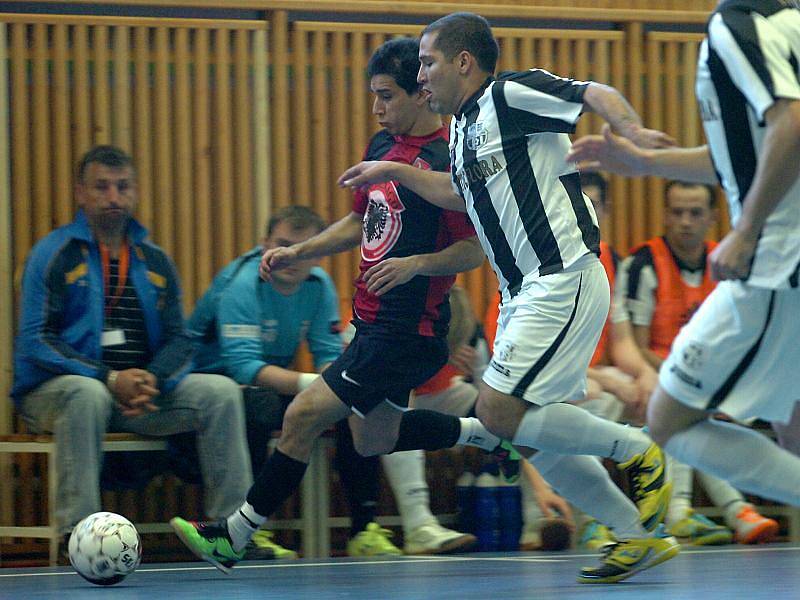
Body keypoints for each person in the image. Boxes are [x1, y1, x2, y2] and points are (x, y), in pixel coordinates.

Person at [339, 12, 681, 583]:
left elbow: (597, 92)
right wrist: (390, 169)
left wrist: (635, 133)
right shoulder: (463, 129)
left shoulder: (510, 95)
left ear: (463, 62)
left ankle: (638, 448)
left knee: (498, 413)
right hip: (524, 292)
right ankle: (636, 533)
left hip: (563, 274)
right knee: (522, 431)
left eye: (427, 63)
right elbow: (455, 191)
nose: (421, 76)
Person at [170, 37, 493, 573]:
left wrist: (416, 265)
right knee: (374, 438)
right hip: (370, 324)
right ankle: (489, 432)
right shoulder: (381, 145)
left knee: (303, 416)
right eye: (373, 96)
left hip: (405, 330)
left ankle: (235, 533)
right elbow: (359, 222)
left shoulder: (445, 159)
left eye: (387, 96)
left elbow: (474, 248)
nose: (377, 107)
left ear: (419, 92)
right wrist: (301, 249)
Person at [567, 0, 800, 535]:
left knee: (670, 419)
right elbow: (749, 155)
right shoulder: (784, 24)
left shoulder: (735, 24)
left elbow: (790, 125)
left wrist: (744, 230)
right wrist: (645, 164)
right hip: (784, 256)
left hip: (776, 261)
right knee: (792, 424)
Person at [191, 204, 472, 557]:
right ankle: (246, 533)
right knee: (267, 407)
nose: (290, 256)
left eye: (302, 247)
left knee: (360, 415)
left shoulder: (318, 285)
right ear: (265, 244)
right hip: (219, 384)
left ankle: (362, 528)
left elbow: (327, 353)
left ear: (317, 252)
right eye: (281, 244)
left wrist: (334, 385)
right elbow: (244, 369)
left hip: (280, 381)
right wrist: (320, 383)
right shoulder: (242, 285)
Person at [11, 145, 252, 552]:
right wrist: (108, 378)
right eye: (101, 187)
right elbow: (35, 341)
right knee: (86, 394)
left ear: (135, 192)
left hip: (138, 395)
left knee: (221, 392)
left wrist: (152, 380)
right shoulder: (53, 255)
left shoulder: (154, 260)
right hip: (55, 393)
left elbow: (181, 339)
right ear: (80, 193)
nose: (113, 197)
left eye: (122, 187)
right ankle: (80, 537)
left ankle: (229, 534)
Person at [621, 180, 779, 545]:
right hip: (661, 375)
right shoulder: (642, 264)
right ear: (664, 215)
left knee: (703, 411)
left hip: (716, 382)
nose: (685, 221)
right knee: (686, 410)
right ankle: (730, 511)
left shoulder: (727, 263)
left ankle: (695, 512)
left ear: (711, 217)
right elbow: (639, 346)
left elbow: (742, 341)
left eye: (695, 213)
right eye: (677, 212)